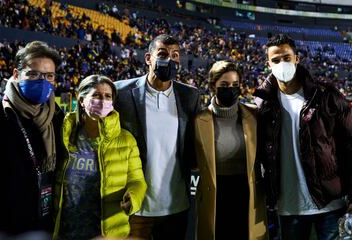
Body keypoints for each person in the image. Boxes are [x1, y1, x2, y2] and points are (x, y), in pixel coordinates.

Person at [254, 33, 352, 240]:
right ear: (268, 63)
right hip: (289, 207)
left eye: (287, 57)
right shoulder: (263, 105)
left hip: (330, 204)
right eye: (276, 60)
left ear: (296, 58)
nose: (282, 63)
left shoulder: (326, 95)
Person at [114, 34, 201, 240]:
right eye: (162, 54)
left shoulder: (190, 96)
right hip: (135, 206)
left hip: (176, 206)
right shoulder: (121, 92)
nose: (169, 59)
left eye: (175, 55)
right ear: (148, 58)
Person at [53, 75, 147, 239]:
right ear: (82, 100)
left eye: (108, 96)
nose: (102, 100)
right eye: (96, 95)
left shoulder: (126, 140)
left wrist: (133, 198)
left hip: (106, 232)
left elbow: (137, 181)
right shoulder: (64, 134)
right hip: (64, 229)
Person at [0, 41, 64, 235]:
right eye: (33, 74)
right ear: (16, 74)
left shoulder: (57, 116)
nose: (42, 81)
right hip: (2, 225)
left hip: (44, 222)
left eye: (49, 76)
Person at [194, 60, 268, 240]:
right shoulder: (198, 120)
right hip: (216, 194)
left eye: (235, 85)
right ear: (213, 86)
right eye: (224, 85)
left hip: (246, 192)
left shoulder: (254, 115)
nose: (231, 89)